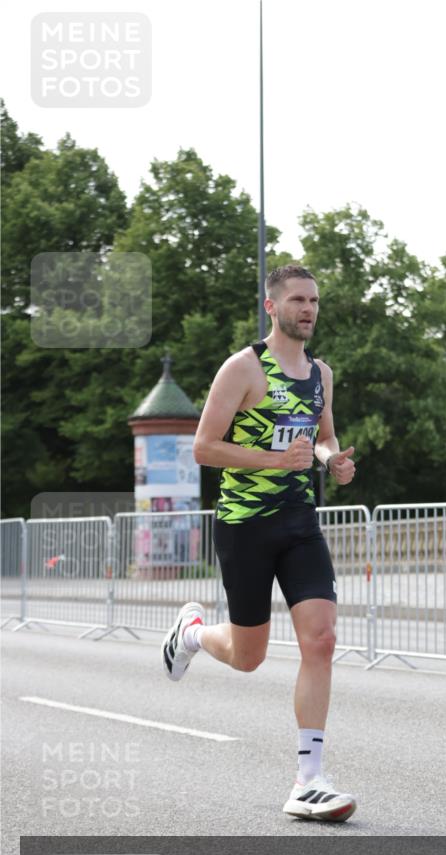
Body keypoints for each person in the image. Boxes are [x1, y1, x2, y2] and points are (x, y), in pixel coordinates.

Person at [161, 264, 357, 822]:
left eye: (314, 300)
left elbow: (322, 437)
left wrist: (332, 461)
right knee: (249, 657)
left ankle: (308, 779)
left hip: (299, 523)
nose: (309, 309)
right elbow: (203, 447)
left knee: (320, 640)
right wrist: (275, 459)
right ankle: (194, 634)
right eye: (297, 300)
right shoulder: (243, 368)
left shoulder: (321, 373)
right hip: (246, 525)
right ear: (271, 307)